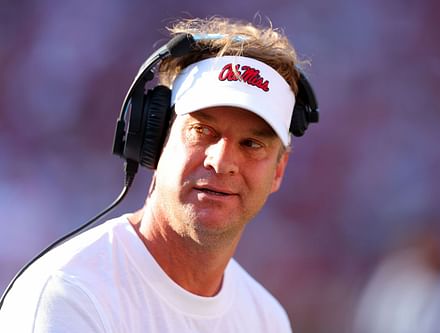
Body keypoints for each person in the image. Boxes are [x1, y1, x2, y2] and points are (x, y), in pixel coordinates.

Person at [0, 16, 317, 332]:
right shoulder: (71, 295)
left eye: (251, 143)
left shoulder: (267, 319)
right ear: (153, 138)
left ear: (278, 170)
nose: (221, 161)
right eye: (202, 130)